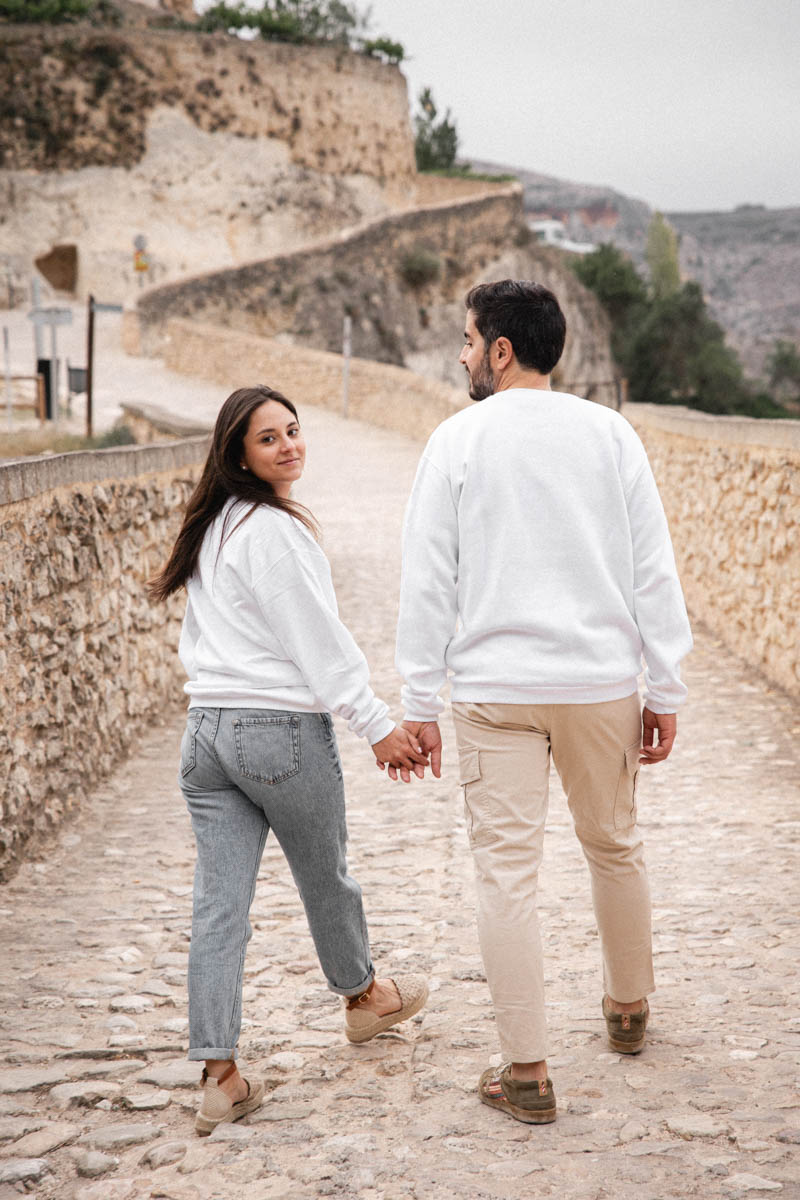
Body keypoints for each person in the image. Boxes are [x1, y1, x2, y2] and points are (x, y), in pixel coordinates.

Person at [395, 279, 692, 1125]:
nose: (460, 355)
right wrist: (663, 685)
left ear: (499, 349)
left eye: (466, 340)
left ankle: (525, 1072)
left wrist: (419, 699)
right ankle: (628, 1010)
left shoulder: (455, 442)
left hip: (494, 694)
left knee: (506, 877)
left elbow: (428, 582)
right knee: (614, 844)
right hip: (601, 684)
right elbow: (652, 570)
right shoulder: (611, 435)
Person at [149, 385, 429, 1135]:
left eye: (295, 431)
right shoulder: (273, 531)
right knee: (324, 873)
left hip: (205, 734)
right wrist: (377, 723)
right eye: (269, 438)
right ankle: (365, 999)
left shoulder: (212, 525)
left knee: (219, 907)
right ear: (238, 452)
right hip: (272, 733)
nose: (290, 446)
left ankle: (219, 1074)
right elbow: (319, 644)